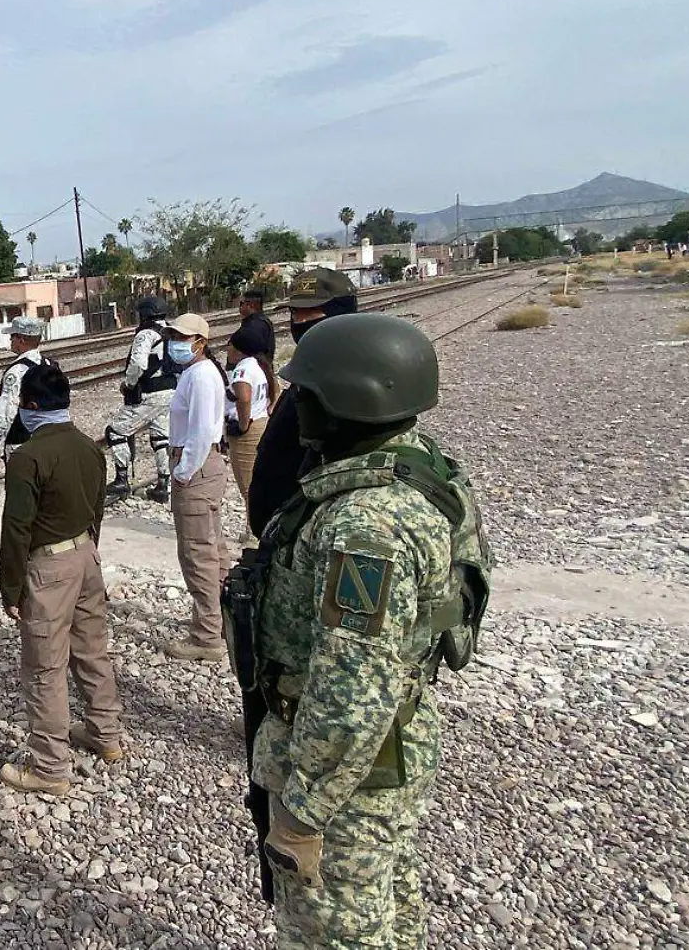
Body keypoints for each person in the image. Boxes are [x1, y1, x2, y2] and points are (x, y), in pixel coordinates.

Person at [233, 313, 490, 949]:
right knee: (390, 914)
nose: (296, 406)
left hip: (349, 777)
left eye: (306, 395)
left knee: (334, 930)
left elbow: (352, 691)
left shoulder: (364, 527)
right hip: (388, 751)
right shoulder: (420, 469)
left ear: (348, 402)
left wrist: (302, 811)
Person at [0, 362, 122, 796]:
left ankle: (50, 768)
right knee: (92, 650)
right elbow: (98, 507)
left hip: (48, 566)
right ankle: (106, 736)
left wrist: (10, 587)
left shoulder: (29, 457)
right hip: (86, 554)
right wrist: (91, 550)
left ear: (30, 406)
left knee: (45, 667)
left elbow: (16, 527)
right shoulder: (89, 447)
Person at [246, 268, 358, 539]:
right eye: (295, 313)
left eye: (311, 312)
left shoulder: (350, 378)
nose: (300, 321)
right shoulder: (308, 370)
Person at [163, 312, 232, 662]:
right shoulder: (197, 373)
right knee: (212, 549)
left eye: (181, 336)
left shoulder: (201, 376)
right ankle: (216, 621)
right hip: (202, 466)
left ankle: (207, 637)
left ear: (200, 342)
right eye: (172, 334)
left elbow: (203, 429)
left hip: (196, 467)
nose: (174, 341)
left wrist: (183, 471)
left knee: (197, 554)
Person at [104, 296, 179, 501]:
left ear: (145, 314)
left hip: (150, 394)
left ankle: (121, 479)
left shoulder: (146, 334)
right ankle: (164, 484)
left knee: (115, 432)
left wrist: (128, 384)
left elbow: (138, 364)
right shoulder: (170, 331)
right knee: (161, 437)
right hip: (170, 392)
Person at [0, 316, 52, 471]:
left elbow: (6, 412)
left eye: (12, 336)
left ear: (21, 340)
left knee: (22, 491)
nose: (10, 340)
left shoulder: (16, 371)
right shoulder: (48, 364)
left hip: (21, 442)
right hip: (48, 439)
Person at [225, 317, 278, 503]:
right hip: (261, 422)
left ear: (239, 349)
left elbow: (244, 397)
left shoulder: (243, 370)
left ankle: (253, 530)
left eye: (230, 345)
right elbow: (275, 390)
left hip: (247, 431)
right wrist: (269, 408)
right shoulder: (260, 366)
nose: (228, 350)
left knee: (248, 487)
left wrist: (242, 424)